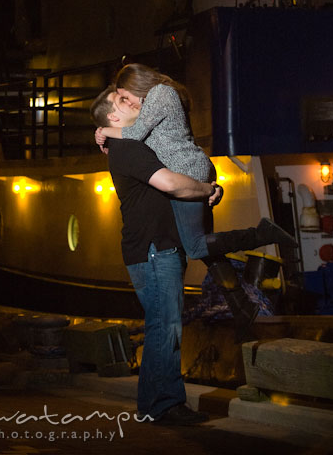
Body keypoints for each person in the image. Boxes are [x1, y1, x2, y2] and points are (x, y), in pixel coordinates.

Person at [95, 63, 297, 340]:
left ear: (137, 84)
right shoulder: (157, 99)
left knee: (196, 246)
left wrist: (105, 131)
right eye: (121, 100)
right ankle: (241, 304)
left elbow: (136, 133)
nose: (127, 102)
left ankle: (262, 233)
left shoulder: (160, 95)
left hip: (187, 171)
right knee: (209, 250)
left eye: (124, 96)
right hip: (191, 168)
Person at [91, 86, 221, 426]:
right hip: (152, 250)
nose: (136, 101)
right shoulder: (127, 149)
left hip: (158, 248)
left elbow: (184, 174)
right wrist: (207, 189)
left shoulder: (136, 144)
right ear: (114, 117)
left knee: (163, 326)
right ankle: (164, 405)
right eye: (124, 100)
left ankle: (154, 405)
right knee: (167, 327)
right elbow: (170, 183)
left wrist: (210, 187)